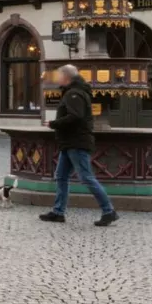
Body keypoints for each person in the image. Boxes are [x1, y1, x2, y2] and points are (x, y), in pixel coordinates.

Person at [40, 64, 118, 227]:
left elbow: (76, 116)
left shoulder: (74, 94)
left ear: (67, 77)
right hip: (69, 143)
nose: (57, 79)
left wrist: (54, 123)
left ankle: (109, 211)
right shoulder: (74, 91)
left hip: (76, 142)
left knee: (87, 177)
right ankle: (58, 212)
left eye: (60, 76)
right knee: (61, 176)